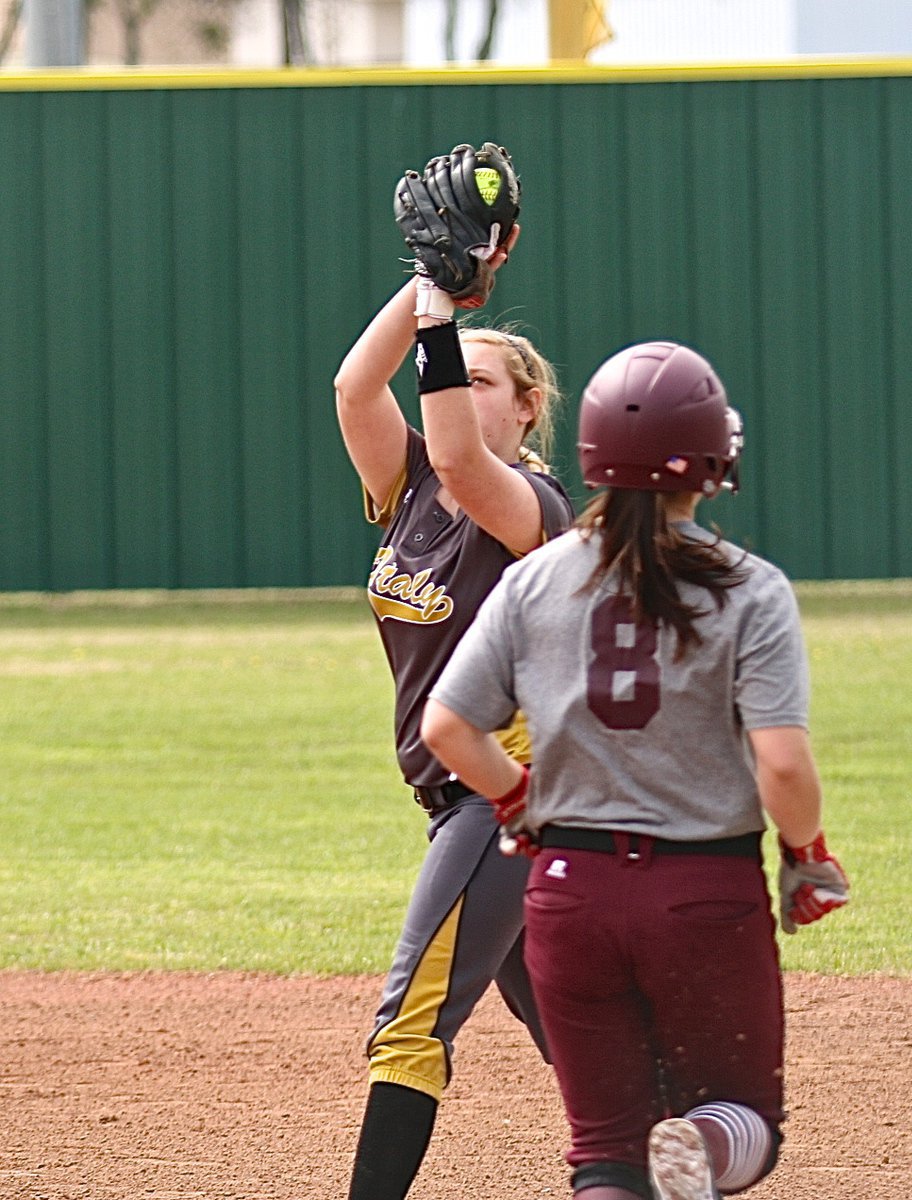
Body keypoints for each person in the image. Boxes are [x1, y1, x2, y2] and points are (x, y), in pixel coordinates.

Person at [420, 340, 850, 1200]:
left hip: (568, 890)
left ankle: (645, 1164)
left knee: (604, 1156)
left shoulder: (535, 579)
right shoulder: (749, 588)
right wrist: (808, 855)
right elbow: (781, 762)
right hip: (703, 889)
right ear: (712, 460)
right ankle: (697, 1143)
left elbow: (448, 727)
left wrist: (520, 800)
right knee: (744, 1122)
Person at [333, 224, 574, 1200]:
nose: (459, 393)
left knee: (411, 1023)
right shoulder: (409, 489)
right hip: (462, 801)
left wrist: (441, 320)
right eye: (452, 376)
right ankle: (683, 1152)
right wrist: (428, 284)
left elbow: (466, 462)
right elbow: (355, 388)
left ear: (527, 410)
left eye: (481, 382)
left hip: (504, 798)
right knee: (573, 1021)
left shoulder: (535, 506)